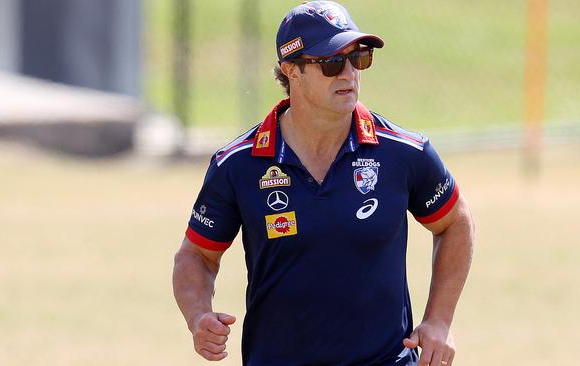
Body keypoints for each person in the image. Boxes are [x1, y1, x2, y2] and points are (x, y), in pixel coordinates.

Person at [172, 1, 474, 365]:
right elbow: (196, 255)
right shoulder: (237, 164)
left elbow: (455, 222)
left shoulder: (405, 152)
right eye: (332, 63)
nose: (349, 73)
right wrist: (198, 316)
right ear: (292, 72)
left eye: (359, 58)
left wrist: (439, 320)